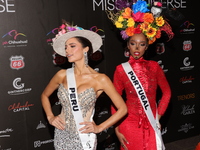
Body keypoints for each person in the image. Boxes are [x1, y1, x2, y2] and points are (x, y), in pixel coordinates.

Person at [41, 21, 127, 150]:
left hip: (84, 137)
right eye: (66, 47)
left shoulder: (100, 79)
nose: (67, 50)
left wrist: (99, 127)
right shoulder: (62, 75)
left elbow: (123, 109)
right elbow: (44, 95)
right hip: (62, 134)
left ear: (85, 48)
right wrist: (50, 116)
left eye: (72, 46)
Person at [107, 0, 174, 149]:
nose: (137, 47)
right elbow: (114, 100)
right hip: (128, 124)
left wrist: (158, 116)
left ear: (147, 46)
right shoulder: (120, 69)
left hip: (152, 122)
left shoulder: (154, 67)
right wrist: (117, 128)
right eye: (133, 43)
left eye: (142, 44)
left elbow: (167, 92)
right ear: (128, 46)